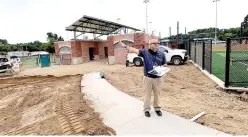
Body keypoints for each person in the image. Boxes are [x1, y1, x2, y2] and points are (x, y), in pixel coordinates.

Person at [118, 39, 168, 117]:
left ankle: (157, 108)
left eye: (157, 44)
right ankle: (146, 109)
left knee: (157, 94)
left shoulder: (161, 54)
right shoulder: (145, 52)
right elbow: (134, 50)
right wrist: (125, 46)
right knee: (147, 95)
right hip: (148, 78)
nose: (156, 45)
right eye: (154, 43)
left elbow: (164, 64)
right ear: (150, 44)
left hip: (158, 78)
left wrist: (164, 67)